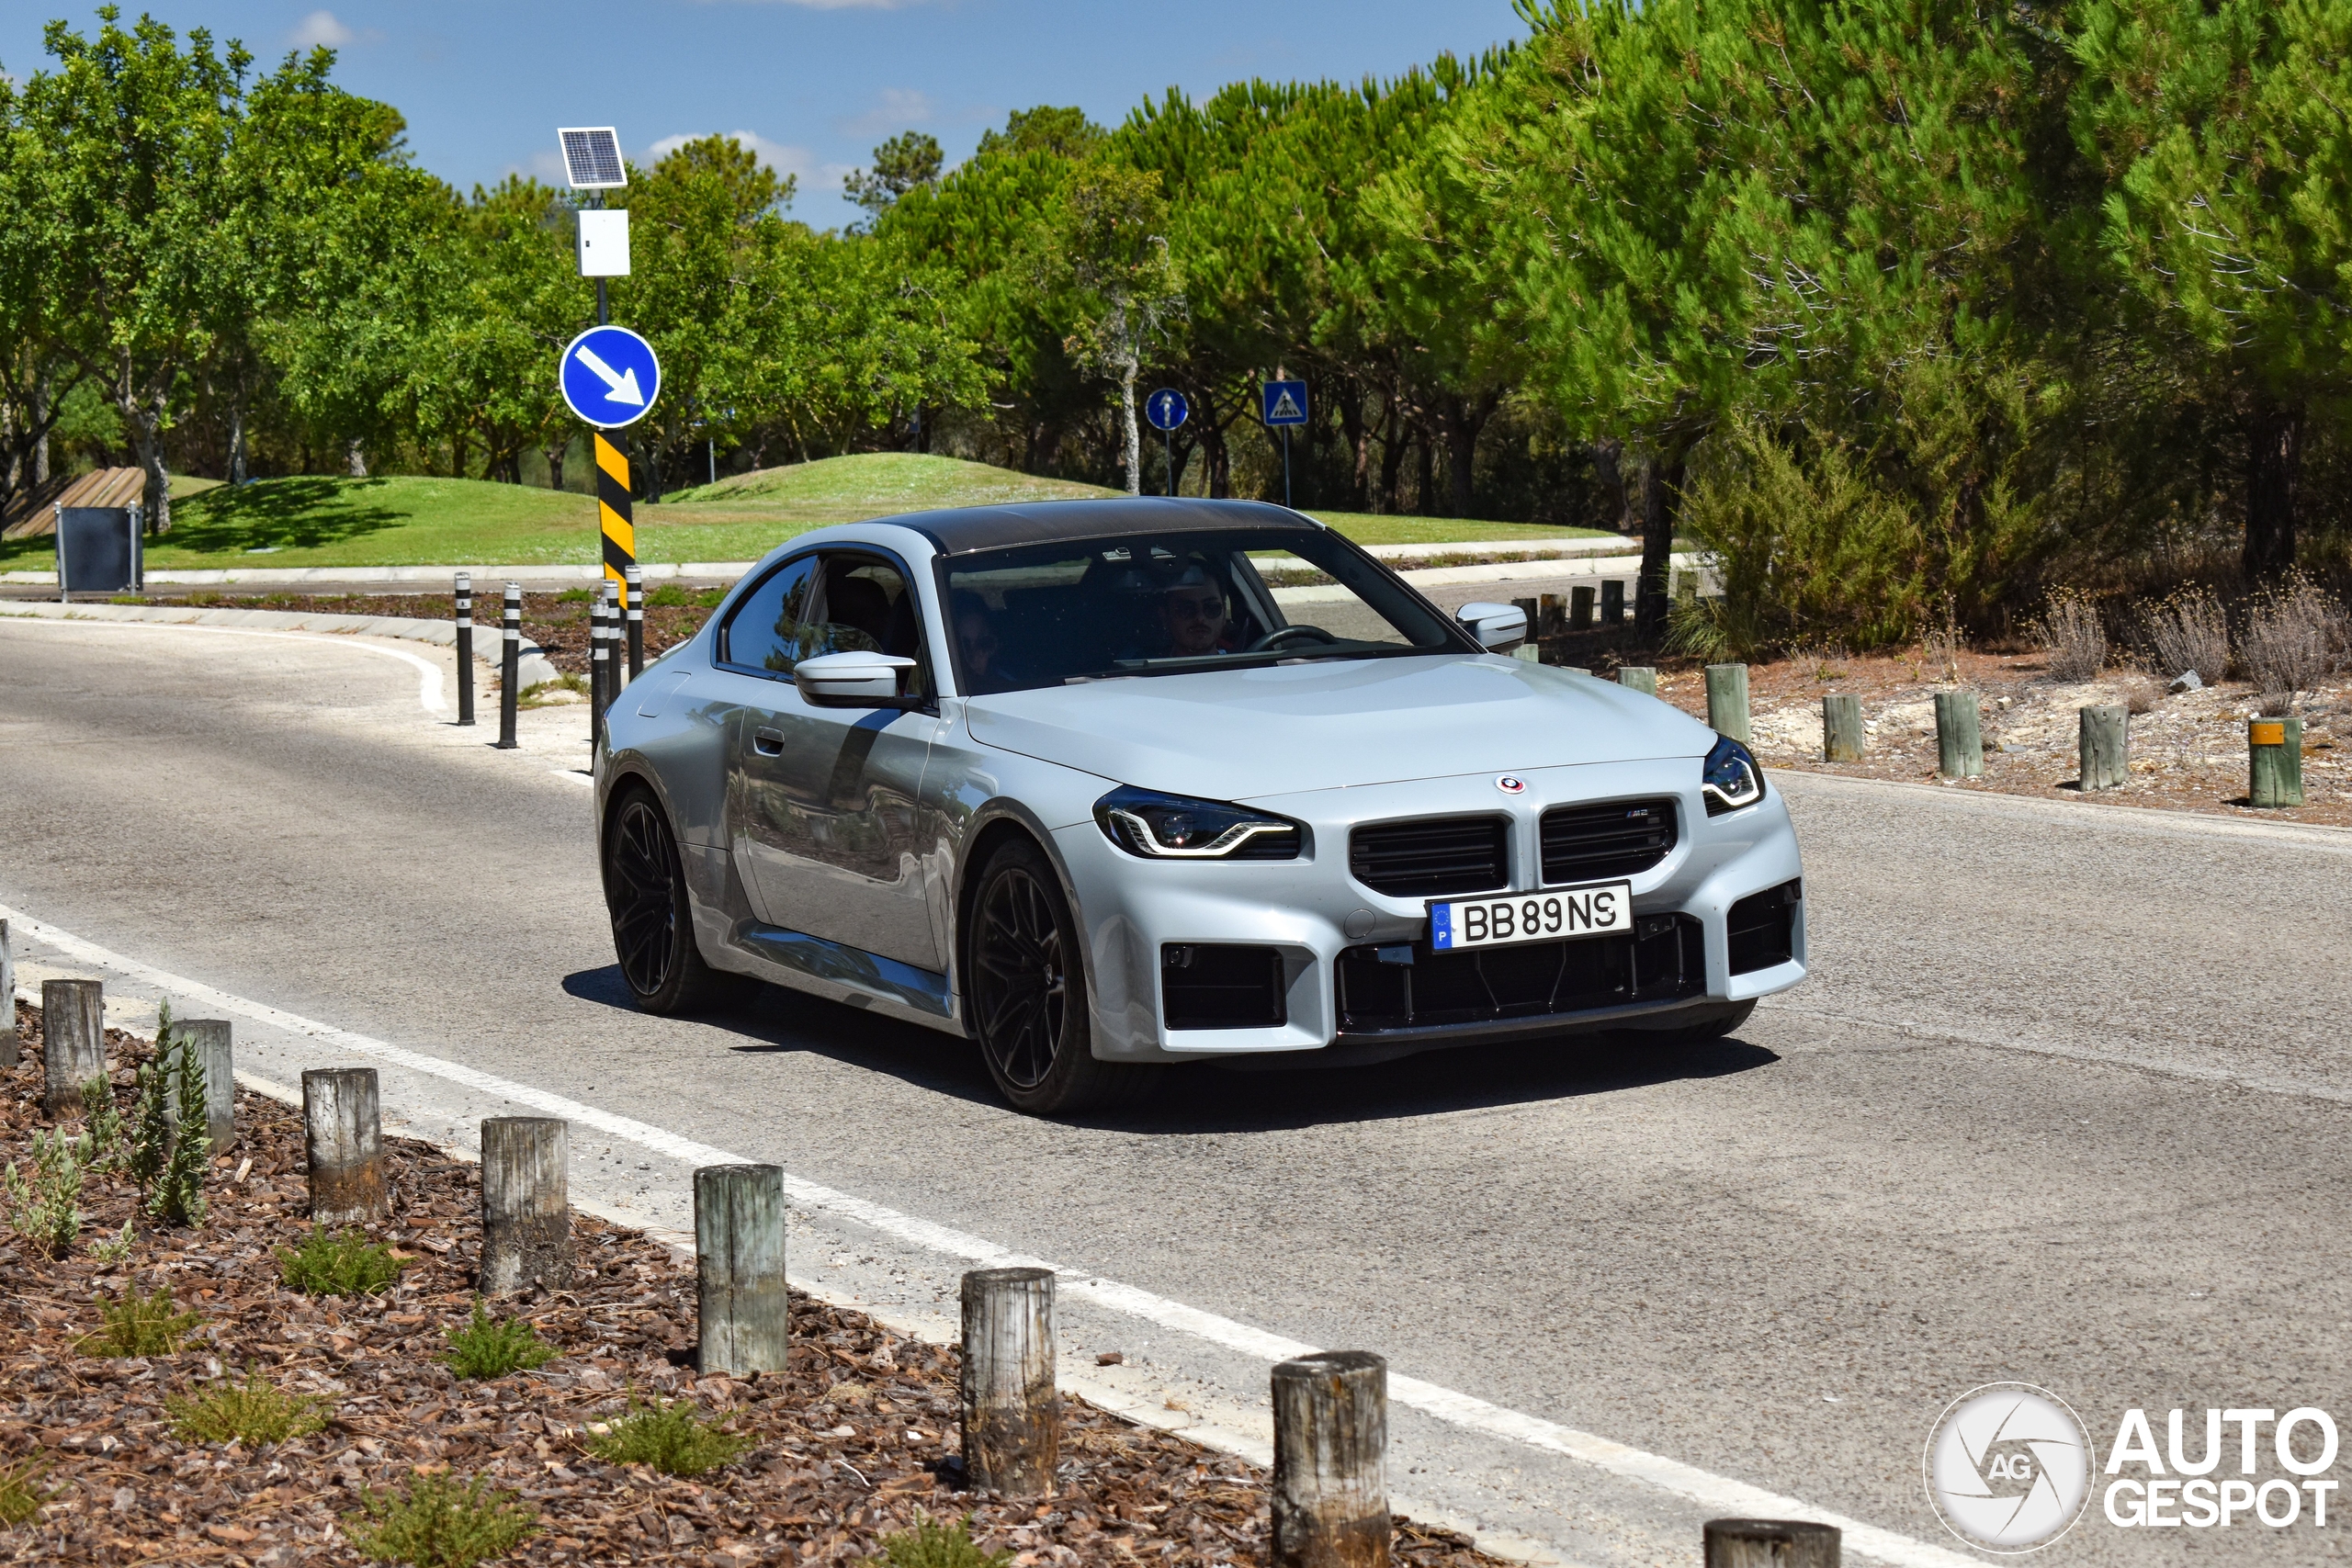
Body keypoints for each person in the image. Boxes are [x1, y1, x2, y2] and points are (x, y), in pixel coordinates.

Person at [1156, 566, 1238, 658]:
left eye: (1212, 608)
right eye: (1186, 609)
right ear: (1165, 616)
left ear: (1224, 614)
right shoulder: (1147, 669)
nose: (1200, 618)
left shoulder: (1242, 667)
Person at [952, 591, 1020, 693]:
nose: (975, 657)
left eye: (984, 644)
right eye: (964, 646)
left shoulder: (1011, 689)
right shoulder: (935, 689)